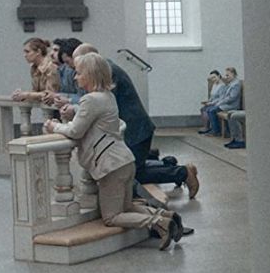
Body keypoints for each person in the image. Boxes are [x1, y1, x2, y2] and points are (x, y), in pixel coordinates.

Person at [44, 53, 189, 250]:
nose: (75, 77)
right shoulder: (108, 96)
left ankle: (159, 223)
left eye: (79, 73)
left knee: (112, 217)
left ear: (90, 74)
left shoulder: (90, 99)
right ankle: (167, 216)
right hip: (124, 160)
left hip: (110, 165)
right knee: (127, 206)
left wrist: (54, 126)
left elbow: (75, 131)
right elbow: (93, 118)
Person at [47, 43, 199, 198]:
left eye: (79, 67)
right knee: (131, 168)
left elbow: (96, 106)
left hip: (135, 131)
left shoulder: (108, 72)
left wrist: (68, 113)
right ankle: (169, 164)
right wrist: (74, 107)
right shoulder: (105, 70)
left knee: (132, 174)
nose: (74, 72)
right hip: (132, 130)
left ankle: (182, 173)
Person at [12, 37, 59, 102]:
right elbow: (36, 91)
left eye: (27, 52)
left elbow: (49, 94)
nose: (25, 55)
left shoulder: (50, 67)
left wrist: (26, 95)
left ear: (38, 52)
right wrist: (21, 95)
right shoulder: (34, 68)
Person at [199, 67, 242, 136]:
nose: (226, 77)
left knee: (211, 110)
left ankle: (216, 131)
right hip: (226, 104)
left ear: (233, 74)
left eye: (227, 75)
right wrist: (218, 102)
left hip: (231, 105)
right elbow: (224, 96)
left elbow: (231, 98)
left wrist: (220, 102)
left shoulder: (236, 84)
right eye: (226, 75)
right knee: (208, 109)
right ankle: (212, 129)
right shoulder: (231, 83)